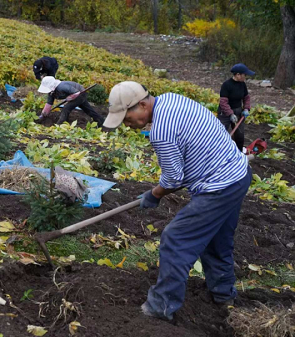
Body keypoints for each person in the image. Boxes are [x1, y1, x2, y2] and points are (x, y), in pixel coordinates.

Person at [102, 81, 252, 321]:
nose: (126, 125)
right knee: (217, 240)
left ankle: (160, 307)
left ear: (142, 104)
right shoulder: (171, 99)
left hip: (219, 186)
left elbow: (173, 178)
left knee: (175, 239)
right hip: (238, 176)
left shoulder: (161, 131)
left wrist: (154, 194)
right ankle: (224, 296)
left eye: (126, 118)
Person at [38, 76, 104, 126]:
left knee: (66, 108)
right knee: (87, 109)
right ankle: (101, 121)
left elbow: (76, 92)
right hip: (76, 96)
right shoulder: (51, 93)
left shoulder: (62, 86)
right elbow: (48, 104)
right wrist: (43, 115)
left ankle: (60, 124)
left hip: (80, 94)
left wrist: (69, 98)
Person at [218, 63, 254, 152]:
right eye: (244, 75)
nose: (245, 77)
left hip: (238, 111)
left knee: (240, 135)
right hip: (225, 113)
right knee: (221, 133)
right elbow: (223, 102)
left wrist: (246, 108)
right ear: (238, 75)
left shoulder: (242, 85)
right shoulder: (226, 85)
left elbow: (246, 98)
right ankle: (218, 152)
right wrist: (230, 114)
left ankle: (239, 152)